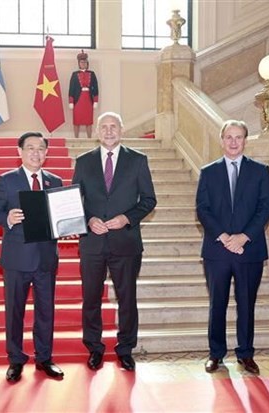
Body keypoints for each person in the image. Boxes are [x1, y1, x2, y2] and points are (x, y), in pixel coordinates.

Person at [72, 112, 156, 372]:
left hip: (126, 242)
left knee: (127, 298)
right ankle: (95, 348)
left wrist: (127, 218)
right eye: (104, 127)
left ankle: (125, 349)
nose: (109, 131)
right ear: (97, 132)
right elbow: (74, 200)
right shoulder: (83, 162)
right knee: (91, 299)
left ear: (121, 130)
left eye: (114, 127)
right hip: (92, 244)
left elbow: (149, 200)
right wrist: (88, 220)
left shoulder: (138, 160)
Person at [0, 132, 65, 382]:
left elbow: (60, 216)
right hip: (17, 259)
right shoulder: (7, 180)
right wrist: (7, 219)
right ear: (19, 152)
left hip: (45, 259)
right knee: (15, 311)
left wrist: (66, 227)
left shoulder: (55, 181)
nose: (36, 153)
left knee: (46, 311)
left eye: (41, 148)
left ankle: (44, 358)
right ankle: (16, 359)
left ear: (46, 153)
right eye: (30, 148)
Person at [196, 120, 269, 375]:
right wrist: (224, 236)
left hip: (249, 251)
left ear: (245, 141)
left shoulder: (260, 171)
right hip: (217, 251)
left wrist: (243, 237)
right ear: (221, 140)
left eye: (238, 137)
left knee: (246, 304)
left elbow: (264, 210)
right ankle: (216, 354)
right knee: (217, 303)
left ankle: (246, 354)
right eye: (229, 137)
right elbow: (202, 209)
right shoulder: (208, 172)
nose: (233, 142)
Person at [68, 50, 99, 139]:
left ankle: (89, 138)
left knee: (88, 120)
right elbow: (71, 88)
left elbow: (96, 87)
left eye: (85, 62)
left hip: (88, 99)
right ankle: (76, 138)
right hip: (78, 99)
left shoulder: (92, 74)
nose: (83, 64)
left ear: (87, 63)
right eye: (81, 62)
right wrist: (71, 101)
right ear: (79, 63)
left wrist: (95, 100)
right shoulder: (74, 74)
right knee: (76, 120)